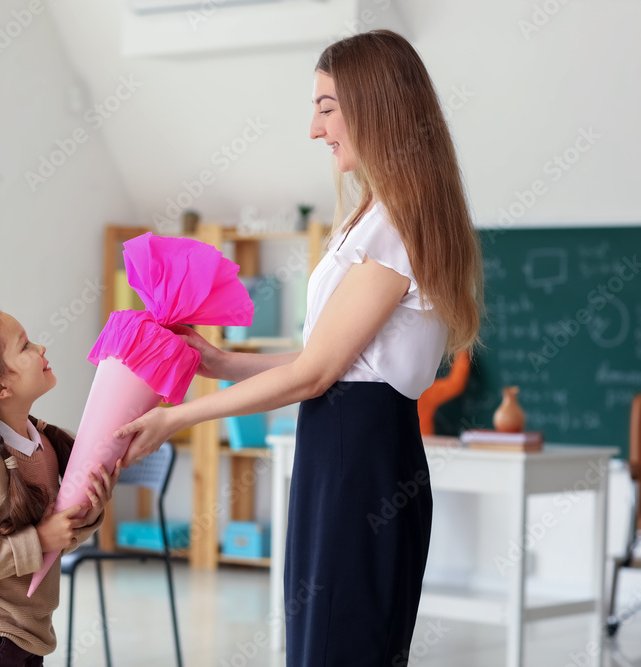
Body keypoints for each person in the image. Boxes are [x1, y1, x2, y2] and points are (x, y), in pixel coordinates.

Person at [116, 30, 483, 666]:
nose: (315, 129)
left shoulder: (396, 226)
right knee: (323, 643)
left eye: (325, 106)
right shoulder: (373, 216)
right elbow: (333, 362)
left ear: (375, 105)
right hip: (340, 453)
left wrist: (176, 418)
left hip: (359, 464)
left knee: (340, 645)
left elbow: (318, 375)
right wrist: (224, 363)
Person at [0, 308, 120, 666]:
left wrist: (87, 511)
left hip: (22, 635)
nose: (41, 347)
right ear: (0, 387)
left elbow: (51, 543)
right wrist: (41, 540)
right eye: (25, 345)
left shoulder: (38, 442)